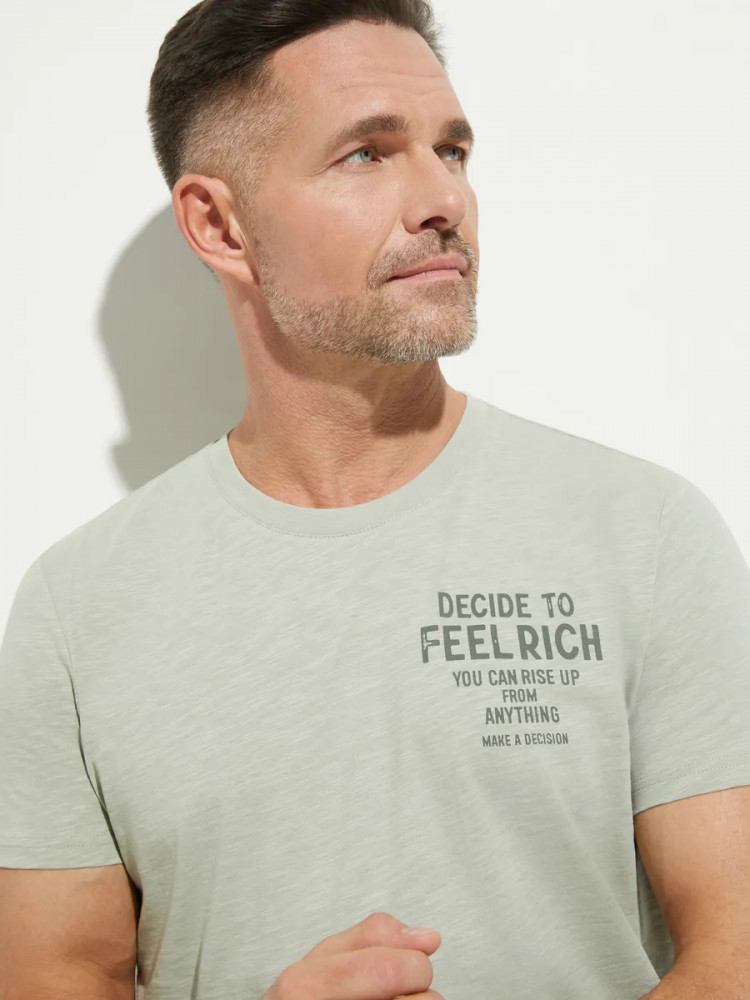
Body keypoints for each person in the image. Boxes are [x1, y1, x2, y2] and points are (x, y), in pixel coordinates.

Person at [1, 1, 750, 999]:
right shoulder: (76, 610)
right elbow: (55, 975)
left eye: (452, 149)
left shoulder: (646, 535)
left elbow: (739, 949)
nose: (444, 198)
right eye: (367, 153)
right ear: (219, 225)